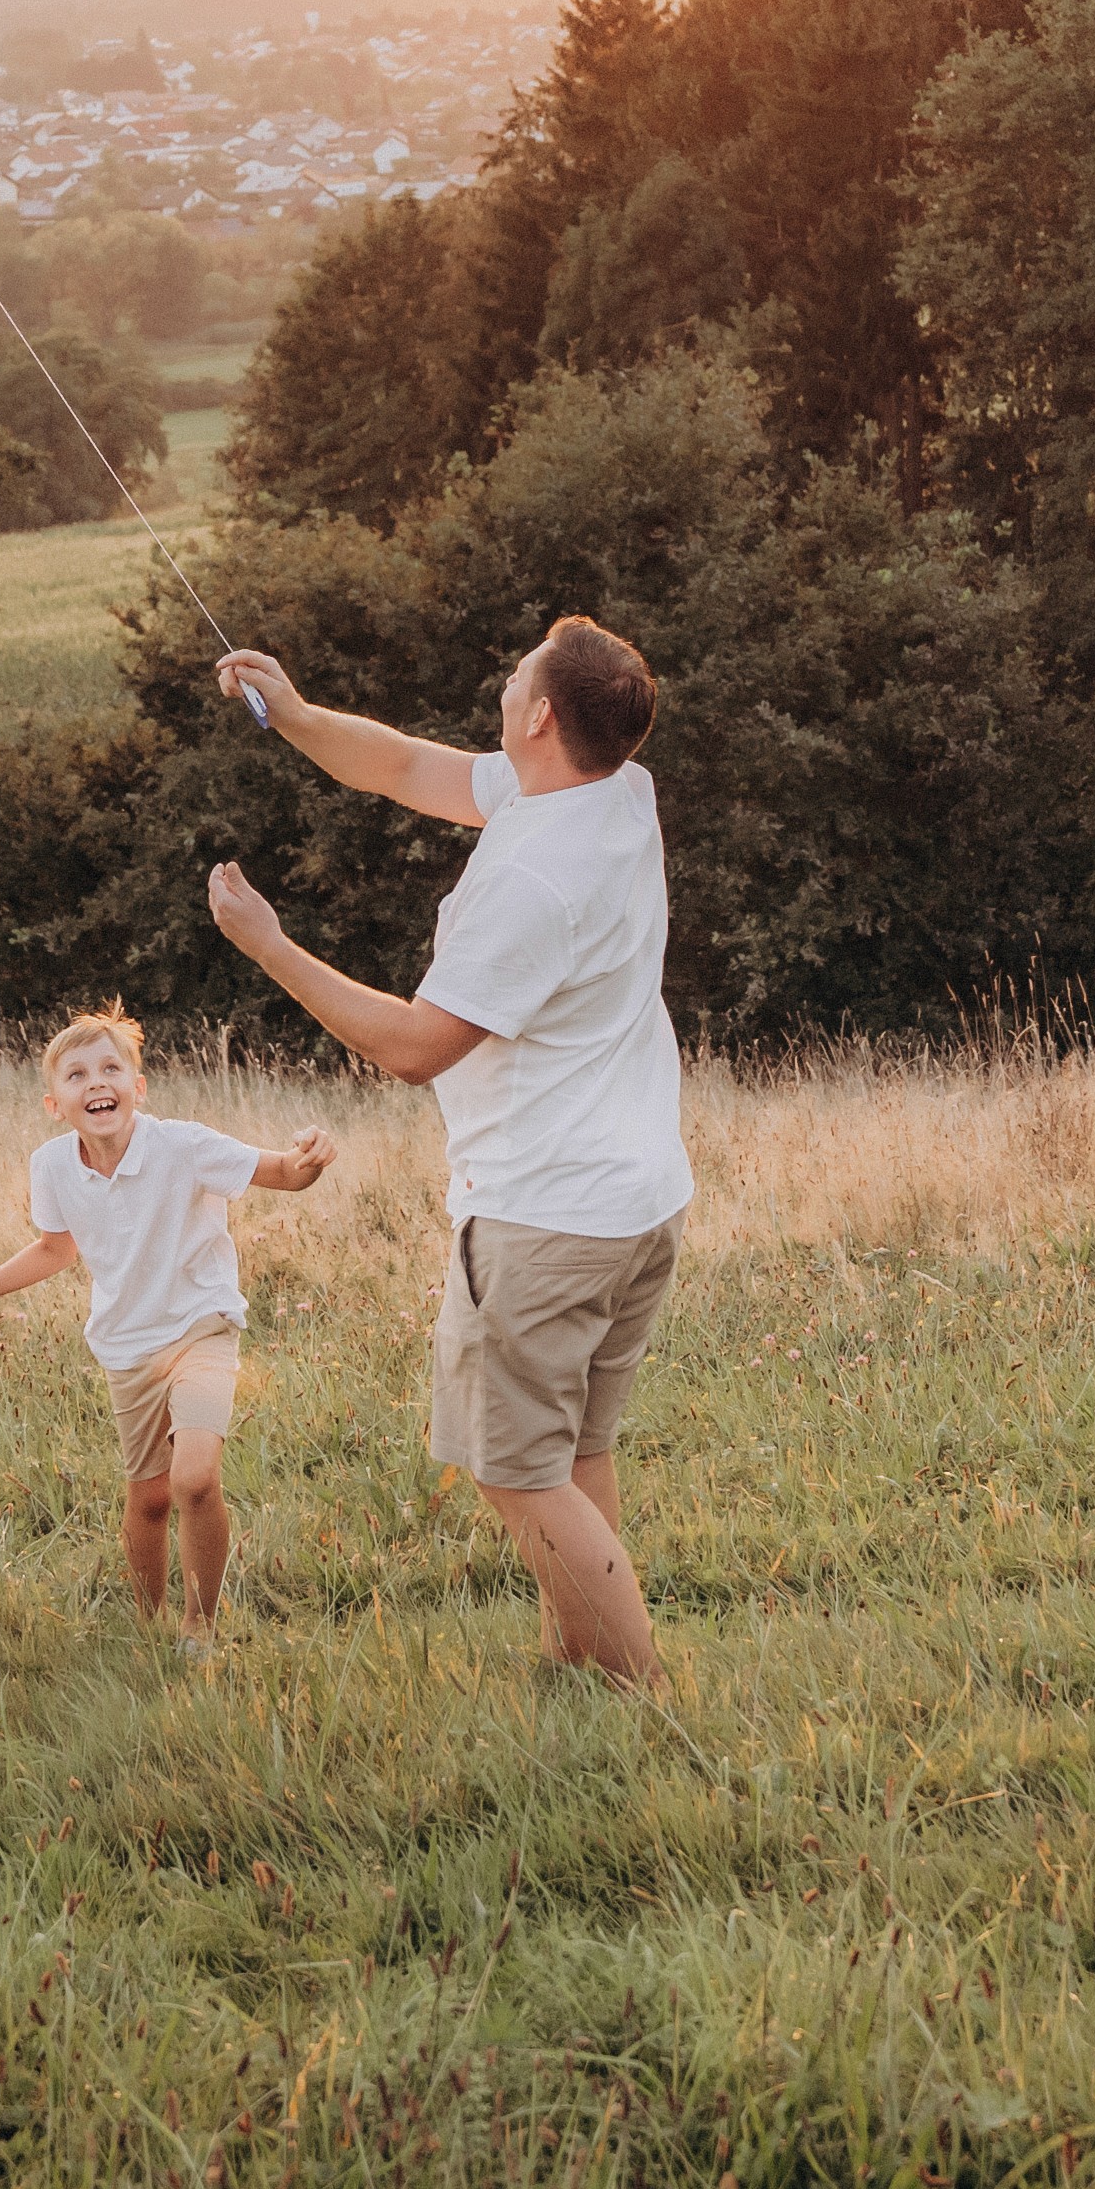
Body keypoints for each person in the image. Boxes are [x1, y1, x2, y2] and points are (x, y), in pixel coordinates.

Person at [202, 616, 689, 1688]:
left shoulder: (538, 880)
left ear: (541, 714)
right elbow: (406, 765)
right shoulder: (607, 790)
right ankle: (584, 1659)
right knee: (570, 1450)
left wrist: (271, 946)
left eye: (517, 674)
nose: (504, 680)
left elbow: (417, 1046)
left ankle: (636, 1686)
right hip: (633, 1196)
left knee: (517, 1473)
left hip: (546, 1215)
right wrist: (293, 712)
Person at [0, 1008, 332, 1639]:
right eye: (77, 1075)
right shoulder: (54, 1165)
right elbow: (55, 1249)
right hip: (126, 1346)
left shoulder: (183, 1145)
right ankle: (149, 1626)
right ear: (53, 1104)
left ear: (138, 1087)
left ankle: (201, 1627)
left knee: (194, 1477)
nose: (96, 1083)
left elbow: (282, 1172)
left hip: (202, 1326)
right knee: (149, 1499)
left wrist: (311, 1156)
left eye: (111, 1068)